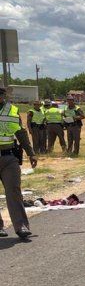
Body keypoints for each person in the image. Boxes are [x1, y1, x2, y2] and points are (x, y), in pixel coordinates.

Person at [0, 86, 38, 238]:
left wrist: (31, 153)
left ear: (4, 96)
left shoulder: (12, 110)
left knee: (14, 191)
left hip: (9, 157)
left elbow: (21, 133)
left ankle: (21, 226)